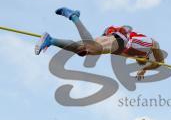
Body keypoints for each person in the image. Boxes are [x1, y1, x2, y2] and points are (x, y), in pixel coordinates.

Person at [35, 7, 164, 80]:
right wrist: (145, 69)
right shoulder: (151, 46)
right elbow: (159, 63)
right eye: (142, 61)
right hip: (121, 39)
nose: (138, 61)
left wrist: (142, 70)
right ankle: (73, 16)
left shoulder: (135, 53)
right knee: (91, 47)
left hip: (117, 39)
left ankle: (50, 40)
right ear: (147, 58)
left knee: (83, 50)